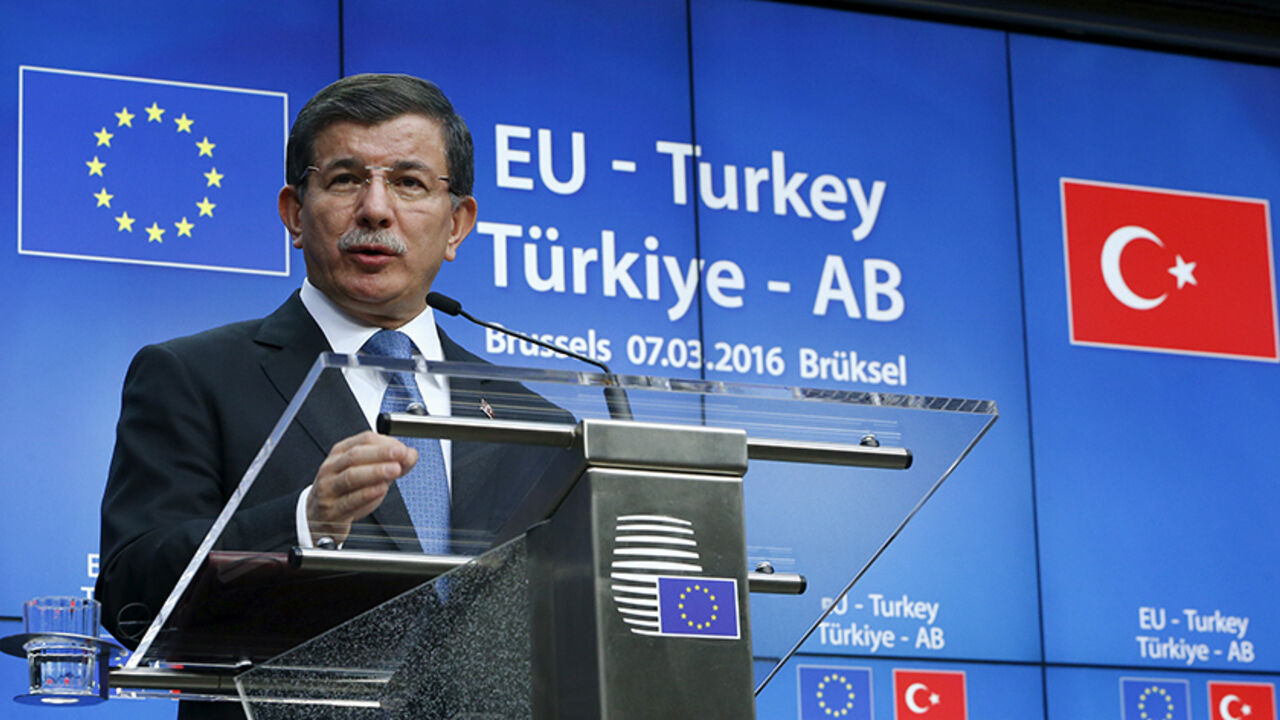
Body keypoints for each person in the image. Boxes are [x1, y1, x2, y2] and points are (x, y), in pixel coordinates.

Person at [95, 74, 567, 682]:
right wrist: (302, 522)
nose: (375, 209)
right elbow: (134, 596)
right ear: (294, 213)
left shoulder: (536, 422)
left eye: (409, 183)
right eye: (345, 180)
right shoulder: (194, 377)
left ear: (457, 225)